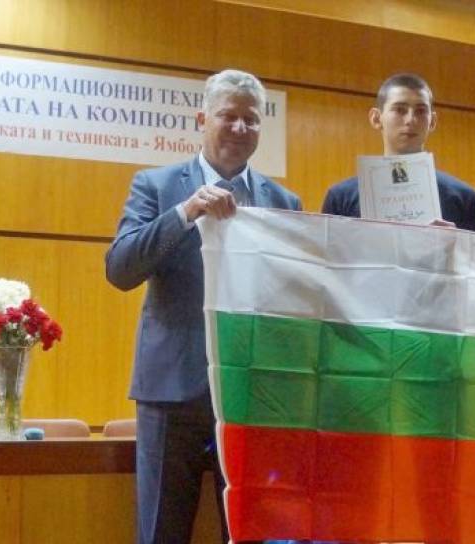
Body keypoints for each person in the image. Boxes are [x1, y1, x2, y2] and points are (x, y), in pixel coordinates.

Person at [105, 69, 301, 544]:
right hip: (171, 394)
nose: (239, 128)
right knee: (161, 532)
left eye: (251, 119)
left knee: (251, 533)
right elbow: (120, 269)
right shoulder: (157, 186)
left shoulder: (284, 201)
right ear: (202, 119)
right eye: (227, 116)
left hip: (251, 395)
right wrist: (185, 212)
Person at [321, 73, 475, 233]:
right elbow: (326, 253)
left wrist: (458, 242)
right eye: (400, 110)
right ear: (376, 118)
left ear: (432, 121)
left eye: (421, 111)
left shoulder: (465, 198)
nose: (411, 120)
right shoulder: (340, 197)